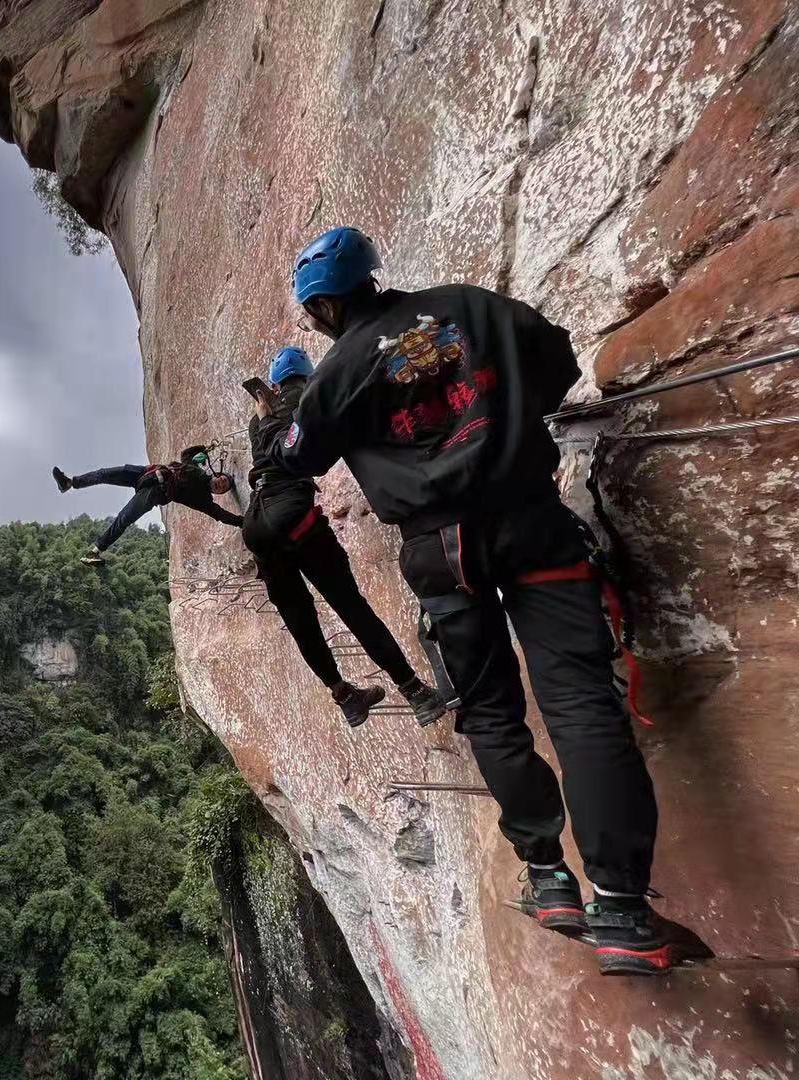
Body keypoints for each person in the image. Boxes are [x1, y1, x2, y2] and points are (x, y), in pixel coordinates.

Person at [257, 225, 666, 976]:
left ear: (320, 310)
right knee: (579, 702)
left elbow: (297, 456)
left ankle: (548, 877)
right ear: (374, 277)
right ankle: (624, 911)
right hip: (529, 518)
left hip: (441, 549)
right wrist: (507, 420)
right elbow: (555, 356)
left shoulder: (337, 374)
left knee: (488, 711)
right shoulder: (469, 310)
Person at [246, 346, 448, 729]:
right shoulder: (310, 398)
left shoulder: (259, 417)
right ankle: (415, 693)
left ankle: (346, 698)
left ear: (275, 381)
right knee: (351, 608)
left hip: (257, 526)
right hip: (295, 516)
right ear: (306, 375)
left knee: (301, 620)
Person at [53, 446, 242, 565]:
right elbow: (187, 453)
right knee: (104, 474)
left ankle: (96, 551)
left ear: (218, 494)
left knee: (124, 518)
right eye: (222, 480)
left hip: (155, 492)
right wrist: (207, 449)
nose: (220, 485)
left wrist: (242, 521)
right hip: (146, 473)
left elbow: (220, 514)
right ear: (218, 474)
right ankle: (69, 483)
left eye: (222, 488)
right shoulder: (196, 468)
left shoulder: (203, 500)